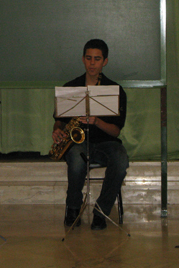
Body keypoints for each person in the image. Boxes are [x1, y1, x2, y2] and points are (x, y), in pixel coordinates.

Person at [52, 39, 129, 230]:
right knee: (76, 159)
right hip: (78, 142)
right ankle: (73, 208)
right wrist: (57, 129)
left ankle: (101, 211)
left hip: (106, 143)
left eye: (97, 59)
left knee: (120, 160)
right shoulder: (70, 87)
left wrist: (97, 121)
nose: (92, 63)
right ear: (83, 59)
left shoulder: (115, 91)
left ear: (105, 61)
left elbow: (116, 131)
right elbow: (59, 120)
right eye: (88, 58)